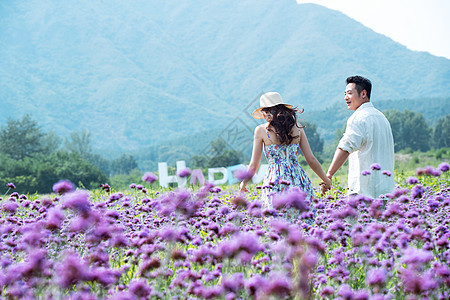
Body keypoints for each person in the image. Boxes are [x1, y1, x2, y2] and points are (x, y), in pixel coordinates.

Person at [239, 92, 331, 210]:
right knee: (303, 221)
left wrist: (244, 183)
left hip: (274, 182)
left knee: (278, 222)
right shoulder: (297, 127)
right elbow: (311, 159)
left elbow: (254, 165)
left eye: (267, 110)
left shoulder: (261, 130)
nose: (265, 113)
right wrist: (325, 180)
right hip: (298, 179)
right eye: (264, 110)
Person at [325, 75, 395, 198]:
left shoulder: (358, 118)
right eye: (345, 94)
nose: (345, 97)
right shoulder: (382, 118)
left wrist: (329, 174)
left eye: (349, 93)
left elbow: (345, 147)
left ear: (363, 94)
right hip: (385, 191)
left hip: (364, 192)